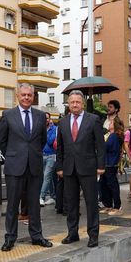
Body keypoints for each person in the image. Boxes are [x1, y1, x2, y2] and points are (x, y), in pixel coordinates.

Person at [0, 83, 52, 251]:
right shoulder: (7, 115)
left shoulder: (40, 116)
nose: (27, 97)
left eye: (29, 95)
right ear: (17, 96)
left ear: (33, 96)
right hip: (15, 166)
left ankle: (36, 235)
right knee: (12, 204)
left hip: (34, 166)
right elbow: (2, 141)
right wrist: (14, 155)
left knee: (34, 203)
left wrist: (31, 154)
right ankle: (10, 238)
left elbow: (42, 140)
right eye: (23, 95)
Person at [55, 91, 106, 248]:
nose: (75, 104)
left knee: (91, 203)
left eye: (77, 102)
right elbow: (60, 147)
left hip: (89, 168)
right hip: (69, 169)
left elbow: (100, 145)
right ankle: (72, 233)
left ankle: (93, 235)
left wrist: (100, 166)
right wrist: (59, 167)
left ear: (82, 103)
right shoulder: (62, 122)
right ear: (68, 104)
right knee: (71, 203)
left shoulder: (93, 120)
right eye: (72, 102)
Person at [101, 118, 125, 216]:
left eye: (111, 122)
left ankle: (117, 206)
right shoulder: (111, 135)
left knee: (112, 185)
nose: (109, 123)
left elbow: (106, 147)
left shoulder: (114, 136)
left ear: (114, 125)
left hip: (110, 163)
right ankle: (108, 205)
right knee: (105, 185)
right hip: (107, 163)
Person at [39, 113, 58, 206]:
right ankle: (53, 196)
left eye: (47, 118)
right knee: (47, 177)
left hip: (51, 156)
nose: (45, 120)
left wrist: (44, 132)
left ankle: (41, 197)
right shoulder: (39, 129)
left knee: (46, 176)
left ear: (50, 119)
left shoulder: (54, 129)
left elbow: (50, 141)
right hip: (41, 155)